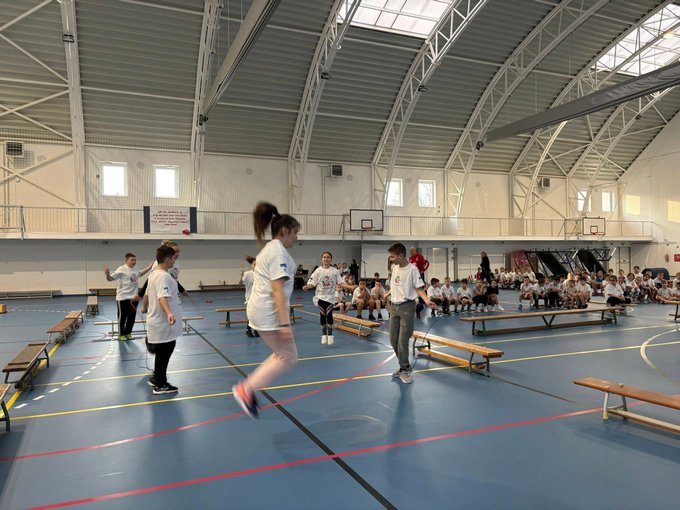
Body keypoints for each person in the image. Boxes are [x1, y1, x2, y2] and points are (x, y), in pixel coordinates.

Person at [232, 202, 300, 419]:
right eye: (295, 232)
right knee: (288, 357)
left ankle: (247, 388)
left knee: (284, 355)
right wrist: (284, 323)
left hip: (259, 309)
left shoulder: (271, 249)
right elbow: (277, 289)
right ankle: (245, 389)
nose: (296, 237)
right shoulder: (277, 252)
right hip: (267, 312)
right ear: (285, 231)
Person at [384, 243, 437, 384]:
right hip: (394, 307)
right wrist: (388, 294)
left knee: (402, 340)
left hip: (407, 307)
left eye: (392, 257)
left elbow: (419, 288)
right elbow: (396, 284)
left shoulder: (413, 270)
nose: (391, 259)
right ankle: (404, 365)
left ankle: (404, 369)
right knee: (393, 340)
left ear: (401, 256)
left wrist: (427, 301)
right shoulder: (395, 267)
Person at [146, 244, 183, 394]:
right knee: (165, 352)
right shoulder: (163, 276)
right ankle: (160, 384)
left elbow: (148, 295)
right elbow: (162, 297)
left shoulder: (153, 274)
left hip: (157, 321)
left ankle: (157, 379)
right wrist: (169, 313)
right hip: (163, 323)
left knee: (162, 352)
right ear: (168, 259)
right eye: (173, 258)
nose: (174, 261)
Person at [303, 251, 355, 345]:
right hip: (320, 297)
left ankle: (330, 335)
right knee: (323, 315)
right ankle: (324, 335)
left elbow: (341, 283)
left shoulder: (335, 271)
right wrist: (307, 287)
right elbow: (312, 283)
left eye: (328, 257)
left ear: (330, 259)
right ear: (321, 259)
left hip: (330, 297)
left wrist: (350, 287)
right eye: (324, 257)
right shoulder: (318, 271)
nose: (326, 259)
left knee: (329, 315)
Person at [104, 253, 152, 341]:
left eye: (135, 260)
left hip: (134, 297)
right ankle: (121, 334)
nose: (134, 261)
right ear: (126, 261)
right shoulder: (121, 269)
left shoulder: (135, 268)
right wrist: (107, 274)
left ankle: (128, 333)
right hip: (123, 297)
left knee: (131, 317)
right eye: (132, 260)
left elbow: (140, 273)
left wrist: (149, 267)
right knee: (122, 317)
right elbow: (110, 279)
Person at [139, 240, 184, 314]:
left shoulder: (175, 263)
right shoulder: (159, 265)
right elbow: (149, 282)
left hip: (172, 294)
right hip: (162, 295)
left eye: (179, 251)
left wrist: (181, 289)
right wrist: (142, 299)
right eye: (175, 251)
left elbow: (174, 279)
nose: (177, 253)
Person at [239, 256, 259, 338]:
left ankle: (256, 330)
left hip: (259, 298)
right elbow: (239, 284)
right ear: (251, 265)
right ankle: (248, 330)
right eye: (254, 264)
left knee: (258, 315)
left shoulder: (261, 274)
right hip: (250, 298)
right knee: (251, 315)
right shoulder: (247, 274)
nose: (256, 265)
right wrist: (241, 276)